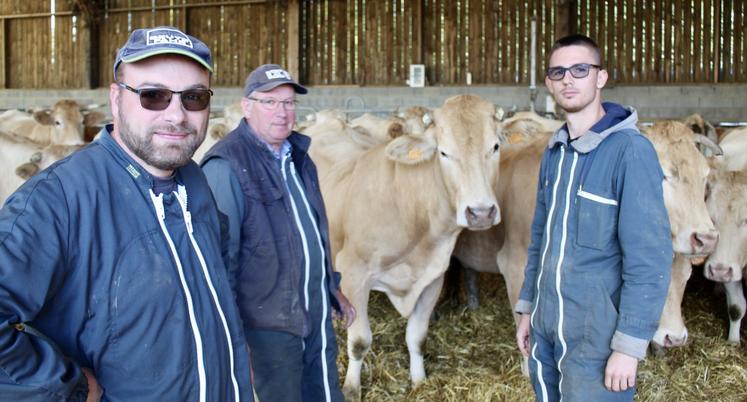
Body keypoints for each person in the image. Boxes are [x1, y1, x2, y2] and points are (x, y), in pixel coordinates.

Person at [0, 26, 253, 401]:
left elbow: (215, 283)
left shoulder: (195, 183)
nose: (177, 115)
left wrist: (233, 351)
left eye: (194, 97)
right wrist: (66, 385)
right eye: (153, 96)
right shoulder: (59, 199)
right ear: (116, 99)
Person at [514, 34, 673, 401]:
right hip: (546, 330)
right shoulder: (555, 152)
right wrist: (527, 309)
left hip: (597, 341)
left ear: (600, 78)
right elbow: (540, 240)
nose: (568, 79)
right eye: (558, 72)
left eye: (580, 69)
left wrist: (629, 346)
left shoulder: (630, 151)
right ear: (550, 83)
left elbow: (650, 258)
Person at [200, 64, 356, 402]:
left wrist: (332, 287)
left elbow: (312, 233)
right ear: (246, 106)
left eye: (288, 103)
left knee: (326, 393)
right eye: (270, 102)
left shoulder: (298, 158)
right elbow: (217, 265)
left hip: (314, 313)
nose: (282, 113)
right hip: (268, 327)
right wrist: (234, 343)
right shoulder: (226, 166)